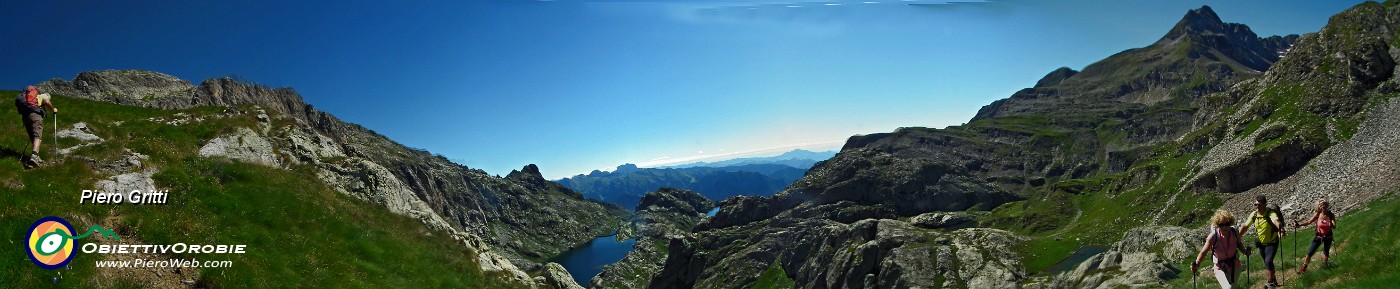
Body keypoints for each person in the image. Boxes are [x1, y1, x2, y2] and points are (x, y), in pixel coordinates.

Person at [1193, 209, 1247, 288]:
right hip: (1220, 267)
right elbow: (1203, 252)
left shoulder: (1234, 232)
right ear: (1217, 225)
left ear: (1230, 223)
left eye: (1227, 224)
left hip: (1235, 265)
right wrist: (1197, 263)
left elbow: (1239, 244)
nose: (1224, 227)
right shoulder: (1213, 236)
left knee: (1233, 287)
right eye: (1221, 225)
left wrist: (1245, 251)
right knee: (1228, 288)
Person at [1240, 195, 1285, 288]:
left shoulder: (1270, 213)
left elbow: (1275, 220)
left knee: (1268, 261)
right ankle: (1274, 280)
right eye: (1255, 204)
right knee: (1266, 262)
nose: (1257, 206)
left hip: (1272, 242)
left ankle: (1270, 282)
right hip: (1261, 243)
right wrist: (1238, 236)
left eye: (1259, 205)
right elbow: (1245, 226)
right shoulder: (1254, 215)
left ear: (1265, 205)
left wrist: (1279, 226)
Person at [14, 85, 57, 168]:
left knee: (33, 137)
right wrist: (53, 109)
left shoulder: (28, 99)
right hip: (34, 115)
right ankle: (34, 156)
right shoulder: (43, 96)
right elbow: (47, 101)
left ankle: (36, 158)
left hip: (25, 117)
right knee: (37, 135)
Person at [1295, 200, 1336, 272]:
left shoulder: (1330, 214)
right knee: (1310, 252)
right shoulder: (1317, 214)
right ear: (1319, 207)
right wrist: (1299, 225)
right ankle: (1304, 267)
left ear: (1326, 205)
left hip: (1328, 236)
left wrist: (1331, 225)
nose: (1322, 206)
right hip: (1319, 236)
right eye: (1321, 205)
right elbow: (1309, 222)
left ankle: (1324, 264)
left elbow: (1334, 226)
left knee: (1326, 252)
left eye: (1324, 204)